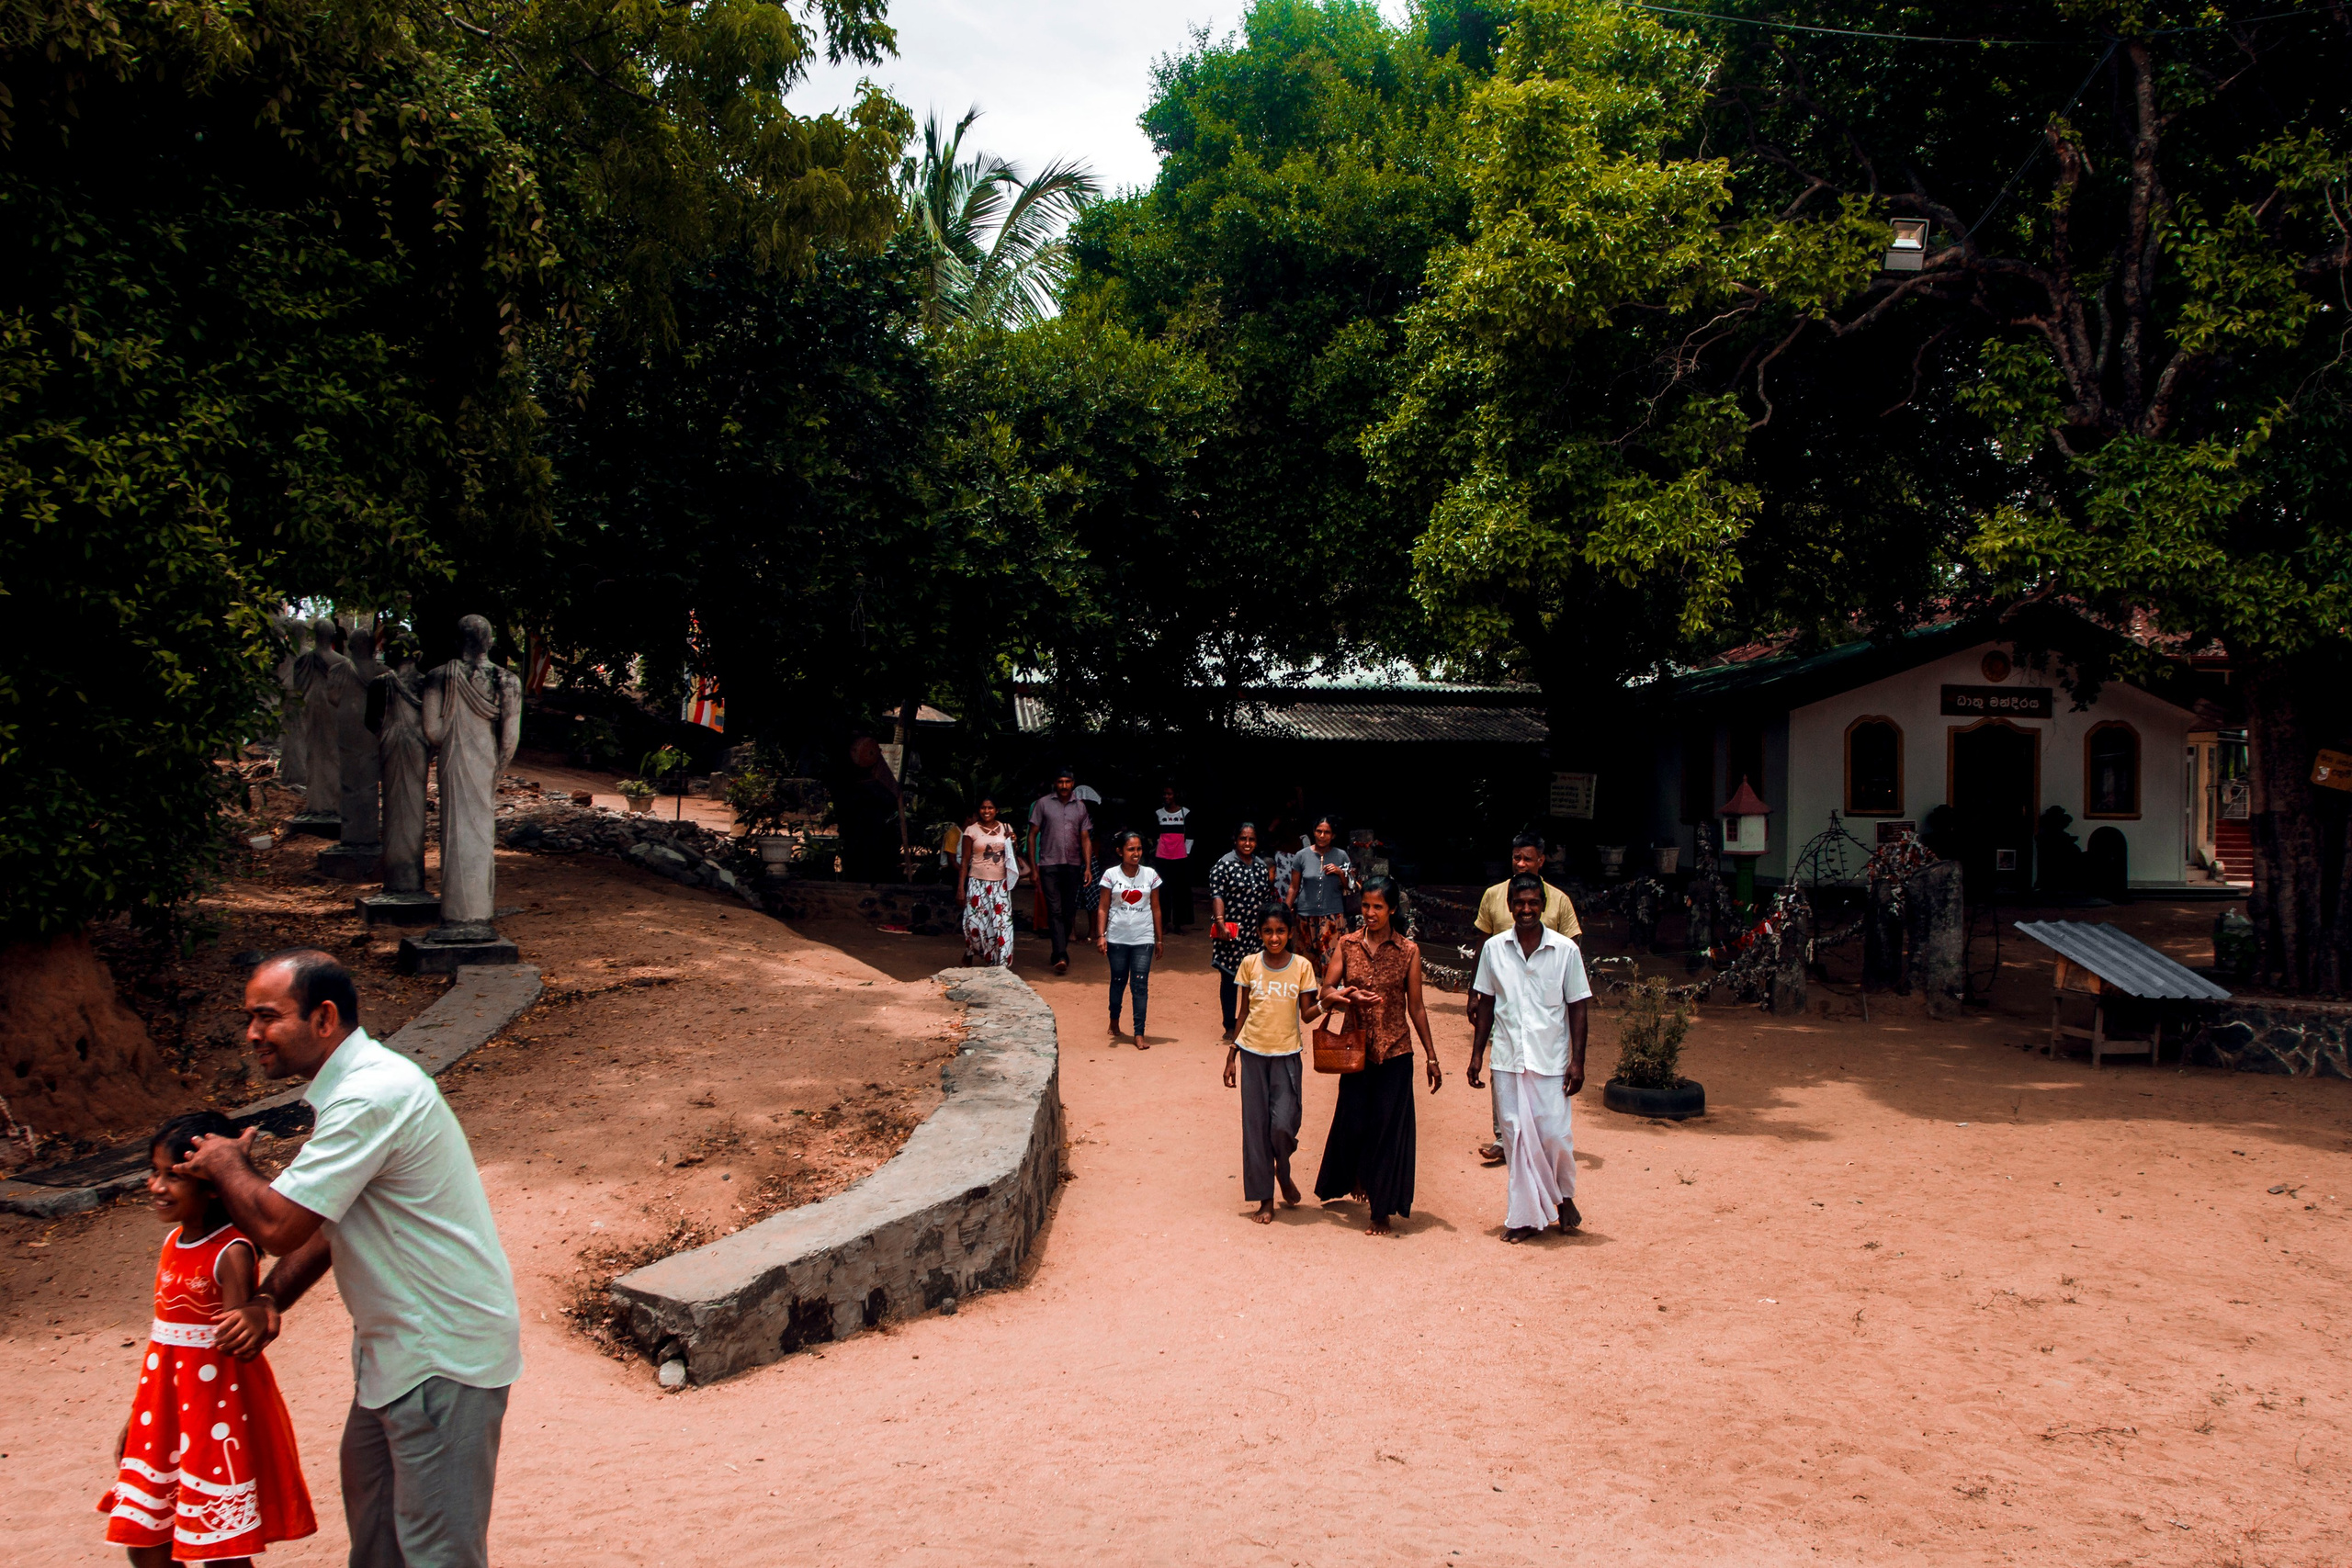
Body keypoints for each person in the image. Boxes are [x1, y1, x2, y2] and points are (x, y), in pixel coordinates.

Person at [177, 951, 523, 1568]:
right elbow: (323, 1222)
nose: (253, 1034)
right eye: (248, 1017)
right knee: (379, 1546)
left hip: (440, 1355)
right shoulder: (351, 1091)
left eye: (267, 1016)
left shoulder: (369, 1095)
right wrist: (267, 1299)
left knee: (437, 1554)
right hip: (398, 1357)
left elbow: (281, 1225)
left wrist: (228, 1165)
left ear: (324, 1017)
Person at [100, 1110, 317, 1567]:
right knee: (146, 1542)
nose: (157, 1187)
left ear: (213, 1187)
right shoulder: (172, 1244)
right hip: (162, 1415)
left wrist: (255, 1319)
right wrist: (137, 1419)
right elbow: (163, 1349)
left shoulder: (231, 1251)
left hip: (214, 1418)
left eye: (173, 1177)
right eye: (153, 1173)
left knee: (220, 1547)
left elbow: (239, 1344)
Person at [1468, 874, 1594, 1242]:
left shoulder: (1565, 951)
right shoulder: (1493, 949)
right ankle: (1523, 1217)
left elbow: (1579, 1007)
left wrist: (1578, 1061)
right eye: (1519, 903)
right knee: (1516, 1139)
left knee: (1555, 1136)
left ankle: (1563, 1197)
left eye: (1533, 903)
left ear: (1543, 905)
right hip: (1507, 1059)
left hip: (1551, 1060)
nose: (1526, 909)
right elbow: (1486, 1002)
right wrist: (1477, 1055)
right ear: (1509, 906)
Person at [1312, 878, 1442, 1235]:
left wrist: (1431, 1056)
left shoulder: (1408, 951)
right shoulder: (1347, 944)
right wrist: (1346, 996)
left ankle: (1381, 1210)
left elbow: (1415, 1006)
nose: (1369, 913)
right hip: (1355, 1049)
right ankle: (1355, 1172)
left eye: (1378, 907)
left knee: (1387, 1129)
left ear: (1393, 910)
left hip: (1396, 1050)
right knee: (1353, 1122)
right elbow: (1326, 989)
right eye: (1366, 906)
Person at [1472, 831, 1584, 1164]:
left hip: (1546, 1006)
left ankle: (1541, 1144)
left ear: (1541, 861)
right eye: (1516, 857)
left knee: (1544, 1079)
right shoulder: (1494, 895)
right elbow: (1483, 946)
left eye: (1528, 858)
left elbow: (1574, 950)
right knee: (1503, 1064)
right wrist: (1474, 993)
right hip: (1506, 998)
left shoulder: (1559, 900)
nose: (1521, 863)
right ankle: (1504, 1137)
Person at [1223, 908, 1321, 1224]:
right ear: (1259, 933)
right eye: (1268, 931)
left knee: (1283, 1125)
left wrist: (1327, 1003)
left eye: (1280, 931)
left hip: (1286, 1055)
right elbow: (1243, 1013)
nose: (1274, 938)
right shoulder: (1250, 964)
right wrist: (1231, 1056)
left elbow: (1306, 1015)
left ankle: (1284, 1169)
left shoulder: (1302, 967)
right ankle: (1265, 1200)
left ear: (1291, 933)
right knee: (1255, 1129)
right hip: (1252, 1053)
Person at [1209, 823, 1282, 1041]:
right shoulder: (1224, 865)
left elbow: (1266, 898)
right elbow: (1217, 895)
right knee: (1230, 978)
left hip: (1255, 933)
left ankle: (1251, 1021)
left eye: (1251, 839)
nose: (1247, 843)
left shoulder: (1260, 866)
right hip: (1230, 932)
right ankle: (1229, 1025)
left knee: (1256, 978)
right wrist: (1221, 923)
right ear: (1235, 840)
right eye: (1243, 839)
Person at [1095, 829, 1164, 1045]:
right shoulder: (1110, 875)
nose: (1136, 853)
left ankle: (1139, 1032)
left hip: (1143, 938)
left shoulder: (1151, 875)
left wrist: (1159, 939)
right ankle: (1114, 1020)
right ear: (1120, 851)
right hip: (1116, 937)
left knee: (1140, 984)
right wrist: (1101, 935)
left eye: (1139, 849)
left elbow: (1156, 908)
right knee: (1118, 980)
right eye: (1131, 849)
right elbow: (1103, 908)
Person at [1027, 768, 1095, 974]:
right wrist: (1033, 867)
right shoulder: (1043, 804)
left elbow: (1085, 838)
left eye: (1067, 781)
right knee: (1054, 910)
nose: (1064, 785)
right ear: (1055, 784)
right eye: (1060, 782)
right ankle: (1061, 955)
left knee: (1068, 911)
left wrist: (1088, 867)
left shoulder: (1080, 807)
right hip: (1049, 864)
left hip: (1073, 865)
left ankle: (1059, 949)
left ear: (1073, 783)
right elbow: (1032, 835)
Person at [957, 798, 1022, 967]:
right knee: (975, 924)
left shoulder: (1006, 828)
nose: (987, 811)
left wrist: (1013, 841)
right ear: (979, 810)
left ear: (997, 810)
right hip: (977, 883)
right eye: (983, 808)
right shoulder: (971, 831)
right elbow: (964, 861)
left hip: (1001, 884)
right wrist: (960, 888)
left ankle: (1001, 965)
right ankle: (971, 950)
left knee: (1002, 925)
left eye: (990, 808)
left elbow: (1012, 856)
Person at [1284, 816, 1353, 970]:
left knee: (1332, 965)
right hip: (1305, 916)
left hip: (1332, 917)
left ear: (1333, 835)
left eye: (1327, 832)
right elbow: (1293, 888)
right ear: (1313, 832)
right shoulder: (1301, 856)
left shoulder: (1341, 855)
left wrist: (1340, 872)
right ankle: (1308, 995)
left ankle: (1329, 994)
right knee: (1305, 965)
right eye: (1319, 831)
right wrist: (1284, 911)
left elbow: (1351, 886)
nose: (1322, 836)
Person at [1152, 784, 1195, 933]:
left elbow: (1190, 836)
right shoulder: (1158, 813)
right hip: (1162, 857)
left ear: (1176, 795)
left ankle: (1179, 923)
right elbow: (1156, 835)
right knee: (1163, 890)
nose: (1166, 797)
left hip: (1180, 857)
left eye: (1169, 794)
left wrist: (1186, 853)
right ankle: (1164, 922)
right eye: (1164, 794)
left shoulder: (1186, 813)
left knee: (1180, 891)